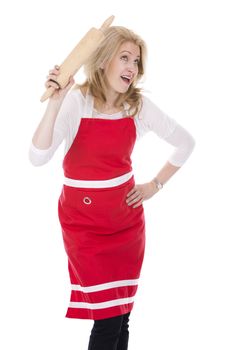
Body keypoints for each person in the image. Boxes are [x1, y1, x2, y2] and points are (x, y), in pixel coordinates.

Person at [29, 25, 195, 350]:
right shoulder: (77, 101)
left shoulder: (138, 107)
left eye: (136, 61)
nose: (132, 68)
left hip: (126, 226)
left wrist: (154, 185)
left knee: (121, 316)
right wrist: (55, 103)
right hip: (84, 227)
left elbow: (185, 143)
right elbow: (38, 156)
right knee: (107, 319)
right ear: (104, 60)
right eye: (125, 58)